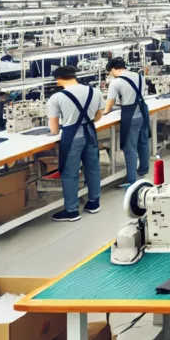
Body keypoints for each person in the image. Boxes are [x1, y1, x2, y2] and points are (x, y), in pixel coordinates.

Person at [47, 66, 103, 221]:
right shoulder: (95, 91)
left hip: (72, 137)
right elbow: (99, 115)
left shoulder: (57, 98)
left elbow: (53, 129)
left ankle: (71, 211)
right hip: (90, 133)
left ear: (58, 79)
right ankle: (94, 203)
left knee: (69, 173)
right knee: (93, 168)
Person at [102, 58, 151, 187]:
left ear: (113, 69)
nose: (110, 74)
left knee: (130, 148)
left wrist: (105, 112)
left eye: (110, 72)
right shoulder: (139, 76)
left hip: (131, 115)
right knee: (143, 141)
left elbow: (110, 102)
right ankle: (143, 169)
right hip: (143, 111)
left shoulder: (116, 82)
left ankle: (131, 179)